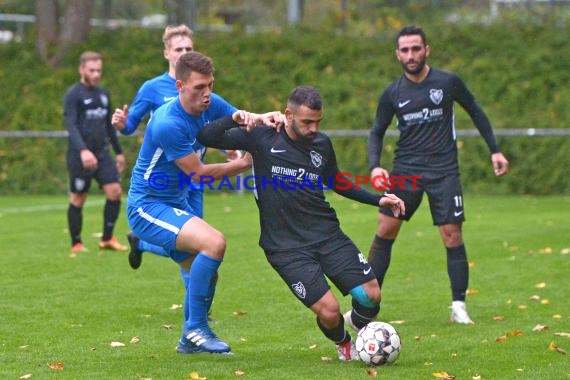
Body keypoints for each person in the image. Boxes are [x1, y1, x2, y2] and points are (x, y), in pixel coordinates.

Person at [197, 86, 405, 360]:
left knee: (370, 295)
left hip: (327, 234)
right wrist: (238, 117)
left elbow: (337, 181)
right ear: (288, 115)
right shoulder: (262, 137)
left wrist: (378, 200)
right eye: (307, 121)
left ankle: (358, 324)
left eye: (318, 121)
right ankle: (344, 343)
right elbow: (206, 135)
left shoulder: (321, 144)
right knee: (330, 311)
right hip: (285, 247)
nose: (313, 128)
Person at [127, 51, 282, 354]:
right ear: (180, 86)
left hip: (174, 202)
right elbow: (198, 175)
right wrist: (243, 165)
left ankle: (188, 342)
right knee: (214, 243)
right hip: (147, 205)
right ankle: (196, 328)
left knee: (209, 271)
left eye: (210, 84)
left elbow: (241, 118)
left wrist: (266, 118)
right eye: (199, 87)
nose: (207, 93)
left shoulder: (208, 102)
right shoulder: (167, 123)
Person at [366, 25, 509, 324]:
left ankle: (459, 307)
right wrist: (374, 165)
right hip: (406, 171)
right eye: (404, 50)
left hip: (444, 171)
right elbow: (377, 131)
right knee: (385, 229)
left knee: (452, 234)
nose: (411, 54)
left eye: (416, 48)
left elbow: (476, 111)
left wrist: (495, 149)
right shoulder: (392, 92)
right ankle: (367, 304)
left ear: (426, 49)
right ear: (397, 54)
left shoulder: (447, 82)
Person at [111, 24, 240, 271]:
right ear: (167, 53)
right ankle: (198, 307)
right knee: (196, 244)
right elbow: (130, 125)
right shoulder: (152, 88)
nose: (183, 52)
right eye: (178, 48)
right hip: (167, 177)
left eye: (188, 48)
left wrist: (228, 147)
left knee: (194, 243)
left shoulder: (202, 87)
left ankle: (143, 246)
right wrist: (121, 124)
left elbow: (211, 125)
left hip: (193, 178)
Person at [63, 51, 128, 254]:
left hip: (102, 154)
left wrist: (118, 152)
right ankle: (76, 243)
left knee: (115, 191)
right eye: (92, 70)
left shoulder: (103, 94)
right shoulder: (73, 94)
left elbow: (109, 126)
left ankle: (107, 239)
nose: (96, 74)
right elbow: (71, 125)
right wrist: (83, 151)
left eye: (99, 70)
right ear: (82, 69)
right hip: (79, 156)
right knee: (78, 198)